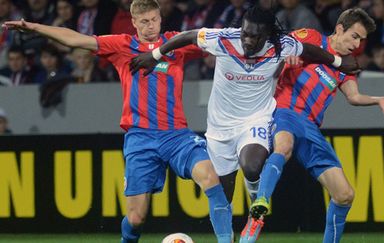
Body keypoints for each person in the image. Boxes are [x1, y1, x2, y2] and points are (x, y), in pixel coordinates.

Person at [2, 1, 233, 243]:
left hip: (177, 136)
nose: (150, 25)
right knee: (135, 218)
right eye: (144, 21)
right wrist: (35, 27)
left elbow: (216, 39)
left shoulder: (175, 43)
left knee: (210, 177)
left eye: (154, 19)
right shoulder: (122, 45)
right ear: (133, 22)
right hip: (141, 139)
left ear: (160, 18)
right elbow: (76, 39)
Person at [129, 5, 360, 210]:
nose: (247, 40)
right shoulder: (224, 39)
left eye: (254, 37)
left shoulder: (281, 45)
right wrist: (155, 54)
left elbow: (309, 50)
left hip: (255, 119)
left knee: (251, 166)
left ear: (268, 36)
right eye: (245, 33)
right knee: (223, 199)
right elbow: (188, 36)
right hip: (220, 126)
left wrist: (338, 62)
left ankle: (255, 192)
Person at [240, 8, 384, 243]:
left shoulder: (344, 67)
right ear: (339, 29)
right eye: (354, 36)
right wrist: (288, 56)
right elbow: (280, 48)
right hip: (284, 111)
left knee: (344, 195)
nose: (356, 45)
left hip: (310, 128)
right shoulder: (312, 38)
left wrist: (379, 101)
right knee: (283, 147)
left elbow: (354, 97)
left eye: (361, 40)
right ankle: (259, 209)